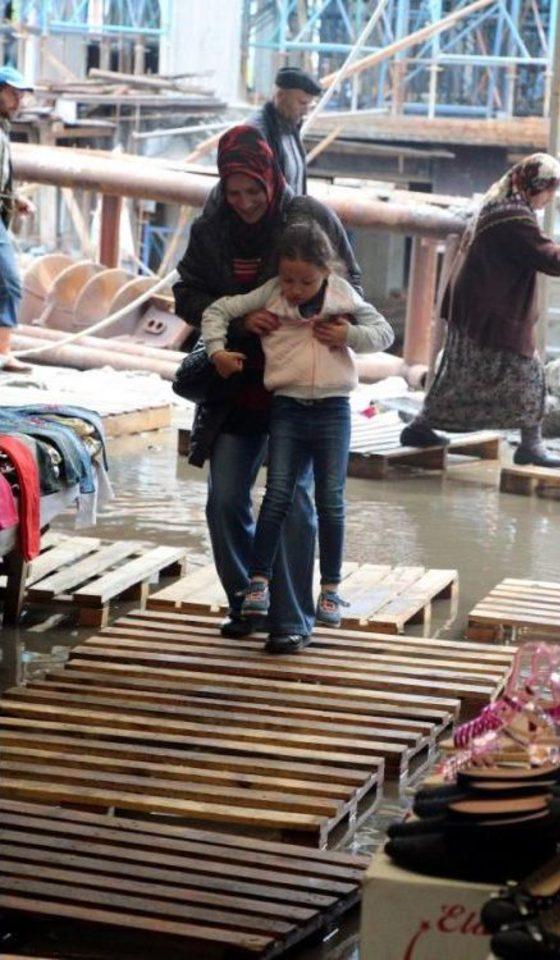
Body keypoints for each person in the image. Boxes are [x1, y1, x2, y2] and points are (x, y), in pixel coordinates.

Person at [173, 124, 362, 654]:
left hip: (301, 391)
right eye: (234, 193)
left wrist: (310, 315)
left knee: (295, 500)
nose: (246, 202)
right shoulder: (211, 226)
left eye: (254, 190)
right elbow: (187, 292)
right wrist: (239, 323)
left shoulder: (308, 217)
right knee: (225, 499)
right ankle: (246, 602)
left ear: (271, 180)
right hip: (235, 386)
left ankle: (293, 618)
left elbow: (352, 288)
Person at [202, 219, 393, 628]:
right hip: (286, 405)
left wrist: (348, 334)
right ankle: (258, 582)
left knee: (331, 500)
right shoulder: (271, 294)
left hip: (334, 409)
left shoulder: (343, 294)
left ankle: (330, 590)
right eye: (287, 279)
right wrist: (218, 349)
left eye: (304, 282)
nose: (294, 290)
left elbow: (384, 333)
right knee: (277, 494)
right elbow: (218, 310)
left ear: (326, 271)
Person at [400, 153, 560, 468]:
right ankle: (530, 446)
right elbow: (555, 260)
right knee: (528, 375)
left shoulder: (502, 206)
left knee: (463, 375)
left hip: (475, 310)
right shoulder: (515, 218)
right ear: (533, 185)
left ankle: (421, 427)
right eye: (549, 190)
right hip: (488, 313)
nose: (551, 198)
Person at [0, 66, 36, 373]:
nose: (18, 100)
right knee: (10, 280)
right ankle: (4, 350)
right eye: (12, 93)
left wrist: (14, 198)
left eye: (20, 95)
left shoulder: (3, 129)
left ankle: (2, 350)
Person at [248, 66, 321, 196]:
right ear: (280, 96)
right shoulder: (255, 133)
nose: (306, 111)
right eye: (302, 103)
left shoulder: (291, 124)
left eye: (309, 105)